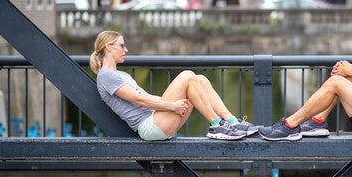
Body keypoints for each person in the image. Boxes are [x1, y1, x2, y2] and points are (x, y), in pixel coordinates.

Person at [90, 30, 257, 141]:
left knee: (199, 79)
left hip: (159, 120)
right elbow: (139, 100)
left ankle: (232, 122)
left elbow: (147, 97)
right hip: (150, 127)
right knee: (187, 75)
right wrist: (172, 106)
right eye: (121, 45)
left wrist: (173, 104)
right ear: (108, 48)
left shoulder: (121, 75)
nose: (125, 49)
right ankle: (216, 125)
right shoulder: (106, 76)